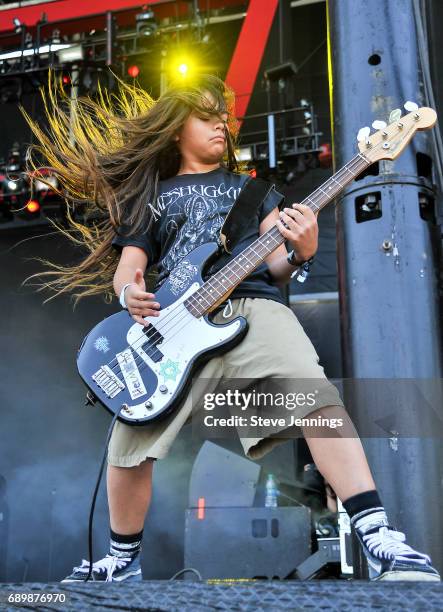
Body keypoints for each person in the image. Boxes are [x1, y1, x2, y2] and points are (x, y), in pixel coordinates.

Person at [23, 71, 440, 583]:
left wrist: (302, 248)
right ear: (178, 128)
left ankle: (378, 540)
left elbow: (278, 263)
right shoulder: (150, 195)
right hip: (173, 325)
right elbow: (128, 268)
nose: (221, 124)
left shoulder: (255, 192)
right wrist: (130, 294)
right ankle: (122, 560)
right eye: (206, 115)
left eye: (224, 115)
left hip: (253, 308)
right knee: (129, 441)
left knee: (317, 401)